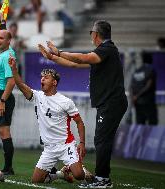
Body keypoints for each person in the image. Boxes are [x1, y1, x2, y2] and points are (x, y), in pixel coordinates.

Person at [38, 20, 128, 188]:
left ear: (95, 34)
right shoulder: (104, 52)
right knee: (102, 139)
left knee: (102, 140)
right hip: (110, 102)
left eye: (91, 33)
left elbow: (82, 57)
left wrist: (59, 51)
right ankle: (102, 178)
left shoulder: (106, 49)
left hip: (112, 102)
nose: (90, 36)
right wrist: (52, 57)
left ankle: (103, 179)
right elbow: (74, 63)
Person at [8, 57, 93, 183]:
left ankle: (82, 170)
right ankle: (61, 174)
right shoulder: (37, 96)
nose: (42, 79)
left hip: (66, 145)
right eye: (42, 77)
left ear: (54, 82)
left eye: (46, 77)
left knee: (79, 175)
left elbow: (79, 122)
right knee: (36, 181)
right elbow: (20, 85)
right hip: (49, 148)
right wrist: (14, 69)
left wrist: (82, 143)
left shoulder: (65, 101)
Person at [0, 17, 16, 175]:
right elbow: (4, 33)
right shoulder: (4, 51)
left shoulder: (7, 55)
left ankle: (8, 168)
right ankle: (8, 167)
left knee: (4, 132)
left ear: (8, 41)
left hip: (3, 95)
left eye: (1, 38)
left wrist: (2, 101)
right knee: (3, 132)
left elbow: (12, 81)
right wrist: (2, 22)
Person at [130, 52, 158, 125]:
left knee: (140, 123)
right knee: (152, 123)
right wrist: (137, 95)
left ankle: (141, 137)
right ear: (151, 59)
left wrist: (133, 97)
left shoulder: (137, 71)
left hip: (137, 102)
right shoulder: (151, 69)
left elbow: (132, 86)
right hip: (148, 101)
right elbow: (148, 86)